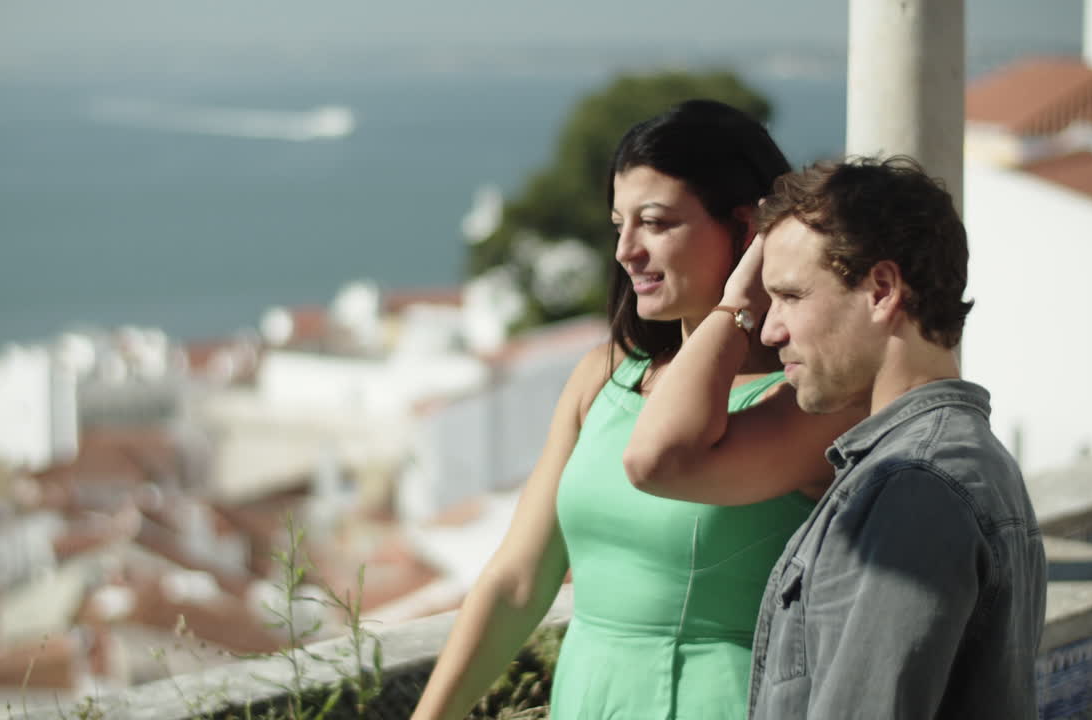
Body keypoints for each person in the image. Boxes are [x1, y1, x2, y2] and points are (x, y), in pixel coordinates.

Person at [409, 100, 861, 720]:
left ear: (748, 230)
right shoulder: (604, 378)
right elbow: (517, 582)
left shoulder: (811, 401)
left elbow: (664, 457)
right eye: (619, 224)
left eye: (654, 222)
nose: (626, 250)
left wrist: (738, 306)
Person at [683, 156, 1044, 719]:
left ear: (881, 290)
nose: (771, 328)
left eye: (791, 297)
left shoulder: (917, 488)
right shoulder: (956, 461)